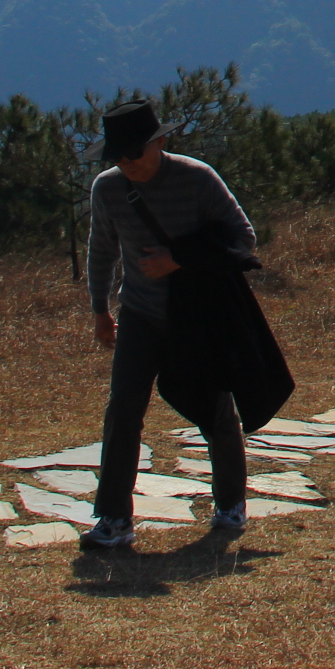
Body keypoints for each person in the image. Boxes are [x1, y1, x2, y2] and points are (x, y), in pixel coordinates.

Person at [82, 98, 255, 553]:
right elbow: (101, 251)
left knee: (215, 408)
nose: (126, 164)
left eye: (134, 153)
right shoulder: (108, 189)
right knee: (123, 411)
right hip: (139, 314)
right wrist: (100, 310)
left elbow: (243, 238)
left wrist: (177, 260)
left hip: (196, 316)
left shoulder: (197, 179)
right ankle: (114, 519)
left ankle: (230, 504)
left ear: (159, 142)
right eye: (117, 157)